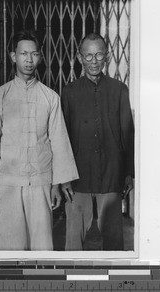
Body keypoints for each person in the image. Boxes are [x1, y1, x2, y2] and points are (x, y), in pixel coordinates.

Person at [0, 29, 79, 251]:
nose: (29, 60)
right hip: (8, 183)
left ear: (40, 57)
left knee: (42, 246)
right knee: (7, 247)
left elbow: (59, 142)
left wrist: (57, 185)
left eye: (34, 54)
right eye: (23, 53)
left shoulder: (50, 97)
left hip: (41, 182)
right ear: (12, 56)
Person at [61, 33, 134, 251]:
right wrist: (63, 177)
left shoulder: (119, 89)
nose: (94, 61)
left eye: (99, 54)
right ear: (80, 57)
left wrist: (129, 172)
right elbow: (62, 137)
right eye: (88, 55)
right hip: (77, 178)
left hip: (112, 176)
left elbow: (127, 134)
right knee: (73, 241)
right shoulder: (69, 91)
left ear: (107, 56)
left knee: (113, 240)